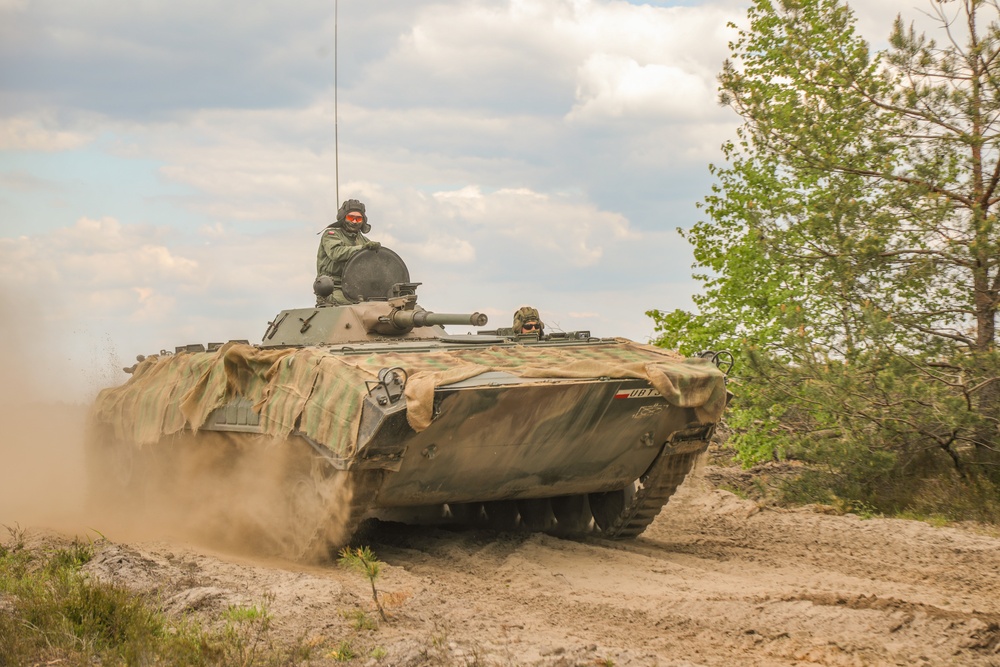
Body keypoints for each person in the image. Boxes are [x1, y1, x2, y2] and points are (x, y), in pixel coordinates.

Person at [315, 199, 381, 305]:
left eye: (358, 219)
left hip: (358, 287)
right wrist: (362, 249)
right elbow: (336, 253)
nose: (354, 222)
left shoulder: (364, 241)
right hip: (333, 288)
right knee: (355, 306)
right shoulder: (331, 235)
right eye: (351, 217)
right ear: (344, 218)